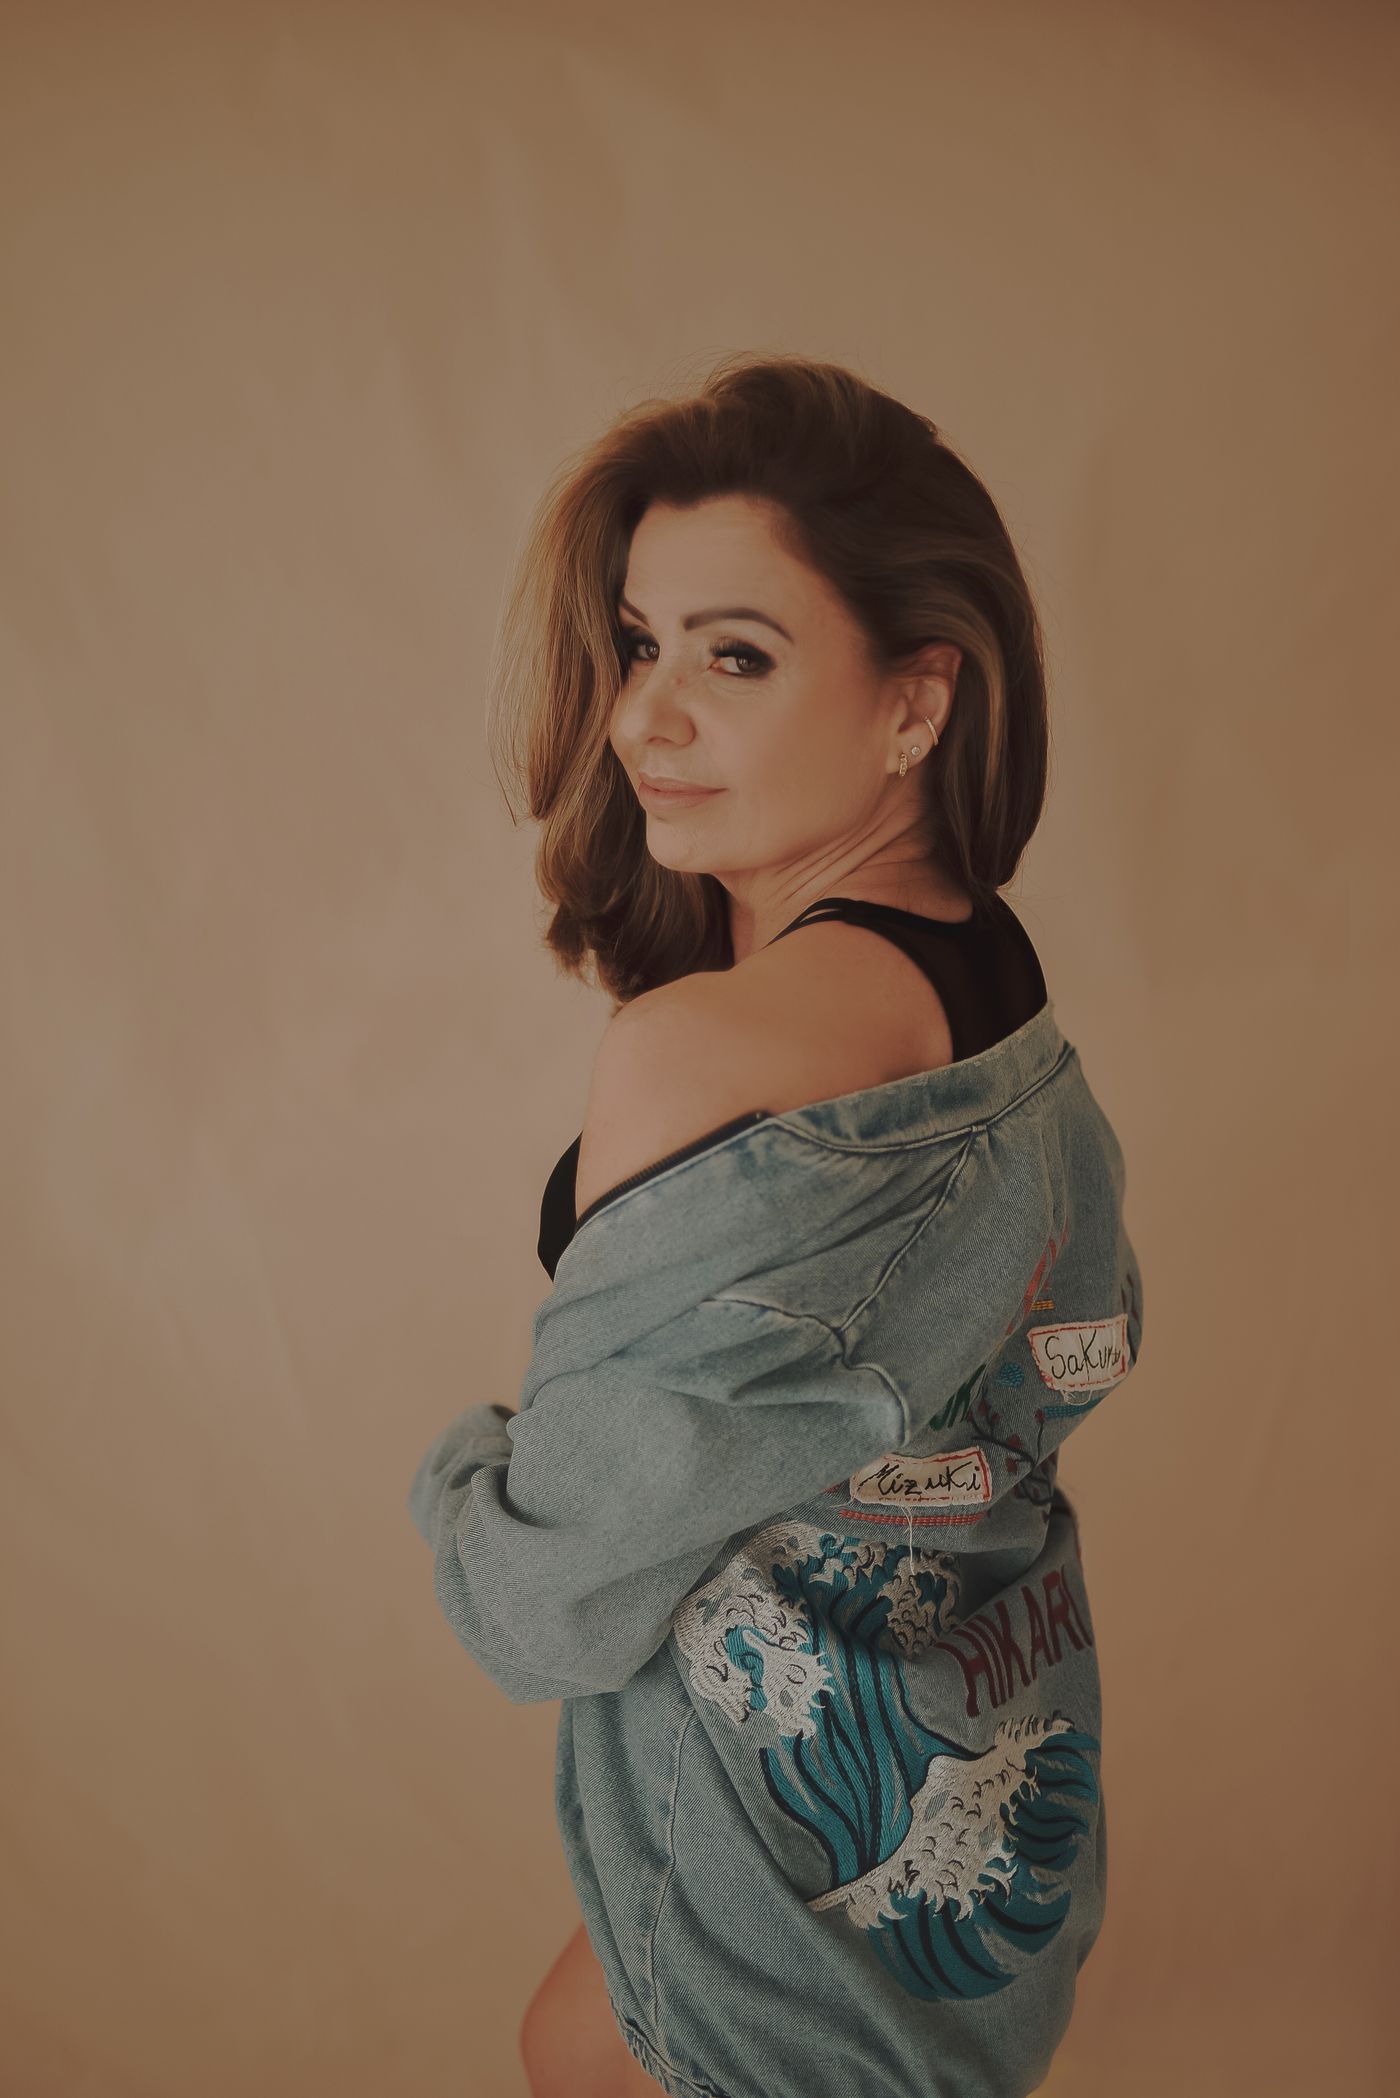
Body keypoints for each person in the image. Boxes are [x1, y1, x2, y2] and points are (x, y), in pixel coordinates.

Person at [407, 352, 1145, 2098]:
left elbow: (547, 1605)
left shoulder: (703, 1054)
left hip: (791, 1887)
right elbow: (1066, 1357)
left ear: (917, 700)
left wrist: (459, 1475)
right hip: (986, 1815)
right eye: (639, 644)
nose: (642, 718)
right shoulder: (1005, 1000)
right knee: (572, 2042)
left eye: (734, 655)